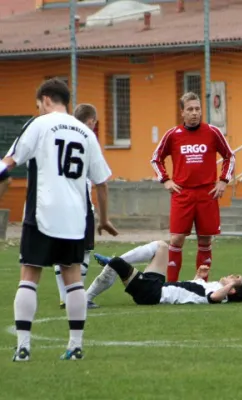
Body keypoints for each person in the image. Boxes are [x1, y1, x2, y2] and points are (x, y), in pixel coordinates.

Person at [0, 78, 116, 361]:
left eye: (38, 104)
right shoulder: (86, 133)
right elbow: (101, 182)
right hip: (76, 218)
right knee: (73, 279)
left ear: (46, 99)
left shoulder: (38, 124)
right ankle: (75, 346)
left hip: (42, 213)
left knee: (30, 275)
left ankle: (23, 347)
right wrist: (104, 219)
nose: (38, 109)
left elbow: (8, 163)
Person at [151, 92, 235, 282]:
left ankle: (201, 284)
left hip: (207, 194)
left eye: (197, 109)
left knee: (205, 240)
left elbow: (230, 156)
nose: (195, 113)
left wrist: (223, 180)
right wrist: (165, 180)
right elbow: (156, 158)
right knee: (176, 239)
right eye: (190, 109)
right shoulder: (173, 135)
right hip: (183, 193)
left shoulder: (212, 132)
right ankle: (171, 284)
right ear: (182, 112)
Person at [54, 103, 116, 310]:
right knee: (85, 251)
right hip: (80, 205)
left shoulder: (58, 136)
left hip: (56, 202)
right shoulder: (89, 140)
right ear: (91, 121)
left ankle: (65, 296)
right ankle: (76, 297)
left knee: (59, 250)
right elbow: (102, 183)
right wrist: (104, 218)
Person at [94, 241, 242, 306]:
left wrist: (229, 285)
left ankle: (85, 299)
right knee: (162, 246)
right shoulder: (212, 286)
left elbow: (213, 297)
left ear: (232, 290)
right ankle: (115, 260)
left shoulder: (218, 295)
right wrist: (198, 276)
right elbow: (193, 293)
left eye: (235, 278)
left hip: (153, 293)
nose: (231, 275)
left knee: (116, 264)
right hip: (158, 286)